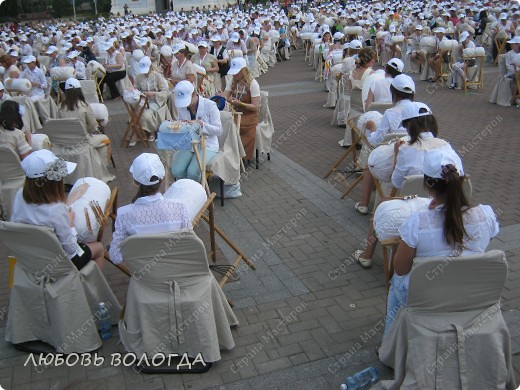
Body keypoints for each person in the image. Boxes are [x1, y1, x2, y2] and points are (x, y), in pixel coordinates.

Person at [383, 148, 499, 334]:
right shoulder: (487, 215)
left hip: (427, 299)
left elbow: (400, 269)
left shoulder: (417, 223)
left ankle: (390, 343)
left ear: (427, 185)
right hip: (472, 295)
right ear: (462, 181)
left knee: (396, 280)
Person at [354, 102, 452, 268]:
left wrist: (398, 155)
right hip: (444, 205)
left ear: (409, 125)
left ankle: (366, 255)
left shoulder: (406, 149)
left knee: (381, 208)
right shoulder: (446, 146)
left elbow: (396, 182)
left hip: (413, 204)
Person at [11, 150, 105, 270]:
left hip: (30, 257)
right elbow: (71, 247)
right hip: (58, 263)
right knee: (99, 248)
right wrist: (70, 225)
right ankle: (93, 286)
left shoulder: (20, 195)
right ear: (55, 181)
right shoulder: (56, 209)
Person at [109, 153, 192, 267]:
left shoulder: (124, 214)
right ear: (163, 179)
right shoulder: (179, 207)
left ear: (135, 181)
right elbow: (189, 242)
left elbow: (115, 256)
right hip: (176, 271)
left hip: (146, 280)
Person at [171, 80, 222, 182]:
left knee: (193, 172)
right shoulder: (182, 107)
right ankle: (186, 188)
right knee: (176, 170)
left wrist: (201, 124)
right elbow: (181, 123)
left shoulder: (210, 105)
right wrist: (179, 125)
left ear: (194, 94)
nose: (186, 105)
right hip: (189, 143)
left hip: (208, 144)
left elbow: (219, 130)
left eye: (187, 101)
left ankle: (198, 190)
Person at [58, 78, 112, 167]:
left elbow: (60, 125)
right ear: (79, 91)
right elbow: (93, 126)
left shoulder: (60, 107)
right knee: (106, 140)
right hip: (83, 141)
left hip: (67, 142)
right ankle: (101, 169)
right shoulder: (84, 105)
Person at [221, 57, 260, 162]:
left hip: (249, 115)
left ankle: (240, 156)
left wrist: (240, 103)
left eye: (236, 72)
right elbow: (225, 96)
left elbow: (255, 107)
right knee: (224, 123)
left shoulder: (253, 84)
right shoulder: (232, 81)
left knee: (231, 126)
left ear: (243, 71)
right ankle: (229, 155)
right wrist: (223, 98)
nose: (234, 75)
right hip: (235, 113)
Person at [132, 56, 170, 143]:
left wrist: (154, 94)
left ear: (150, 67)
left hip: (155, 101)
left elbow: (165, 92)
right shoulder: (138, 77)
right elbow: (135, 88)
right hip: (142, 101)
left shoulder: (157, 76)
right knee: (135, 113)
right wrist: (133, 90)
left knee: (146, 115)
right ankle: (141, 132)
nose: (145, 73)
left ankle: (153, 131)